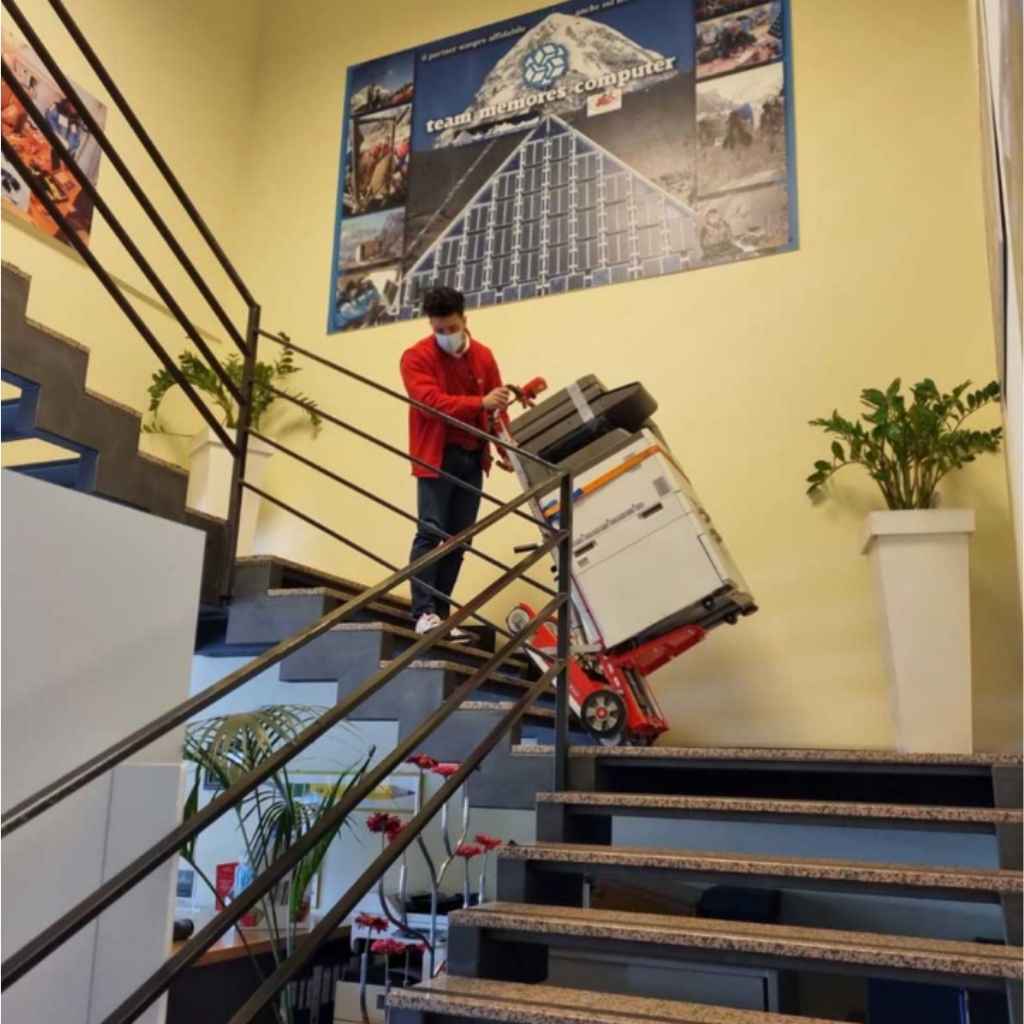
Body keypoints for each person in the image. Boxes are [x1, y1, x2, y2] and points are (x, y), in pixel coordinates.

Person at [400, 285, 512, 640]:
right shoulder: (415, 357)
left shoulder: (484, 356)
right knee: (430, 530)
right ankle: (423, 612)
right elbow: (429, 402)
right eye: (439, 331)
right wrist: (480, 403)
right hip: (437, 455)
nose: (446, 336)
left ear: (465, 320)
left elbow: (499, 410)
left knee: (461, 539)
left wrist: (507, 451)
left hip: (472, 456)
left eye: (452, 328)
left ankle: (442, 615)